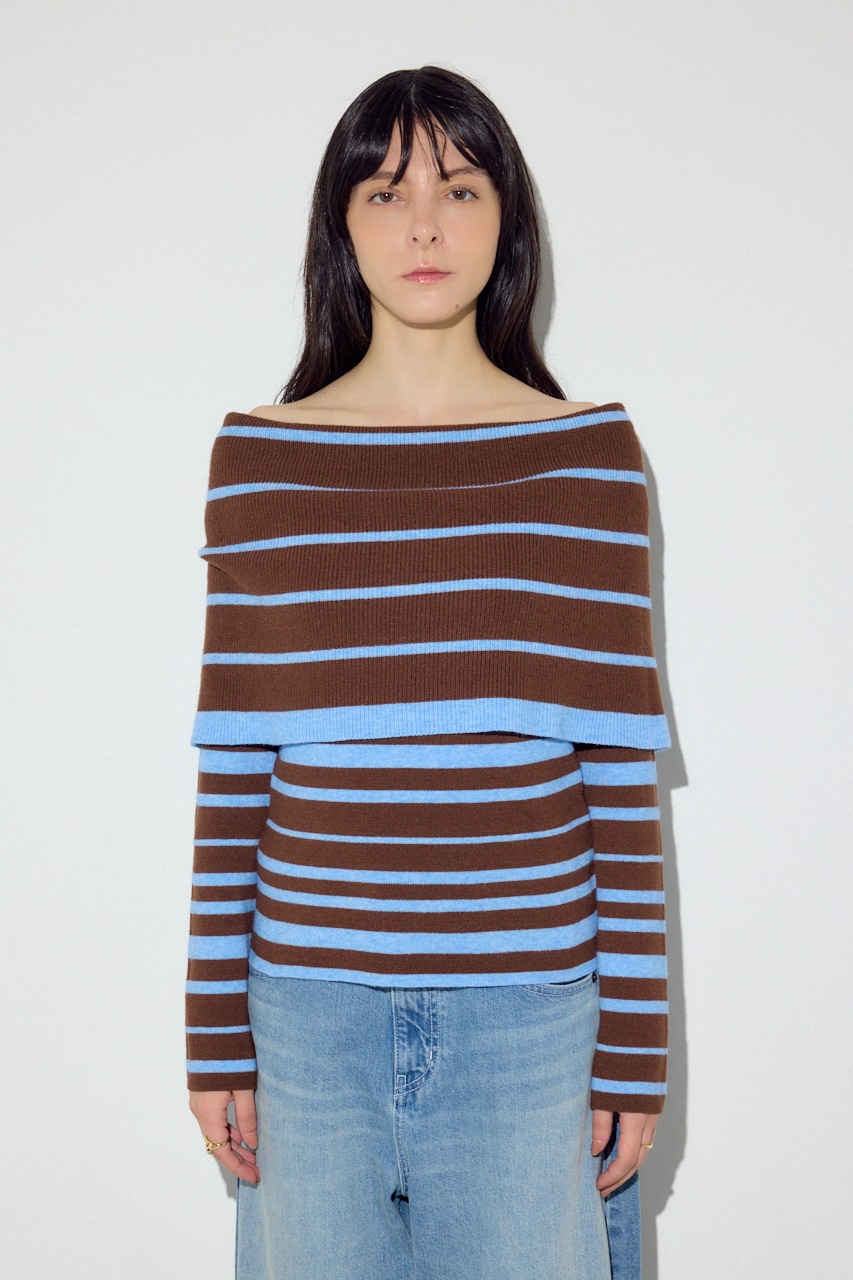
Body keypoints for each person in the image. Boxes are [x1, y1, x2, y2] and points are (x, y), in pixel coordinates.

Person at [185, 65, 669, 1280]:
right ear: (340, 225)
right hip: (307, 1013)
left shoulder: (590, 457)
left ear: (505, 219)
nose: (423, 226)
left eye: (458, 189)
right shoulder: (258, 459)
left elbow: (618, 771)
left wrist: (633, 1041)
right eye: (386, 192)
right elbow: (235, 769)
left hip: (529, 1014)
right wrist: (213, 1030)